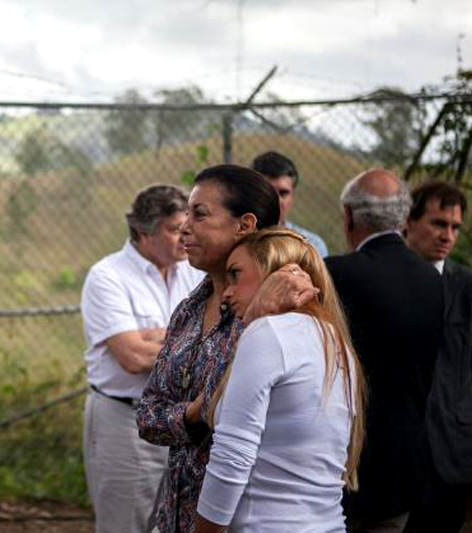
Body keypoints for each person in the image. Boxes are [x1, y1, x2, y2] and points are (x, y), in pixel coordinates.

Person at [137, 165, 317, 533]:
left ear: (244, 225)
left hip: (240, 521)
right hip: (176, 516)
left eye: (200, 214)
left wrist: (196, 412)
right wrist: (192, 414)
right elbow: (148, 415)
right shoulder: (189, 309)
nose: (185, 227)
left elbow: (240, 416)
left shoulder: (284, 314)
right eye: (187, 214)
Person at [194, 228, 365, 532]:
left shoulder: (269, 334)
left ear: (273, 272)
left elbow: (233, 456)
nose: (226, 292)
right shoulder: (332, 338)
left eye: (236, 274)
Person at [81, 184, 204, 533]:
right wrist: (188, 340)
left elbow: (213, 332)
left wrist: (157, 335)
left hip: (182, 420)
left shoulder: (194, 272)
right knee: (127, 524)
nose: (184, 237)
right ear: (142, 231)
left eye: (186, 227)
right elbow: (132, 357)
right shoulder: (108, 276)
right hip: (125, 419)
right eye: (173, 229)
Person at [325, 169, 444, 532]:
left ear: (348, 215)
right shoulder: (434, 281)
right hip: (405, 464)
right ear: (405, 219)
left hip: (342, 467)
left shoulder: (336, 275)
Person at [404, 181, 472, 532]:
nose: (448, 235)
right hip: (394, 456)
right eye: (438, 224)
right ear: (408, 221)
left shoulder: (466, 288)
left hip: (451, 455)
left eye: (455, 227)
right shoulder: (384, 281)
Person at [252, 151, 329, 257]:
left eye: (283, 193)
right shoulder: (237, 240)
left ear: (292, 196)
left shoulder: (311, 245)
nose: (277, 200)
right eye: (269, 192)